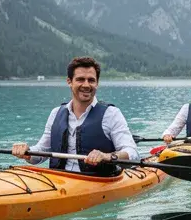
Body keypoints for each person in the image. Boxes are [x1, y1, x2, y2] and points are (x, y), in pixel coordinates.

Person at [11, 56, 139, 175]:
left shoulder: (111, 114)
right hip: (59, 180)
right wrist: (27, 153)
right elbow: (42, 152)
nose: (86, 85)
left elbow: (132, 153)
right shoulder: (56, 113)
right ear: (69, 81)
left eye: (91, 80)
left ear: (97, 83)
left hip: (99, 181)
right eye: (80, 79)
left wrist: (106, 156)